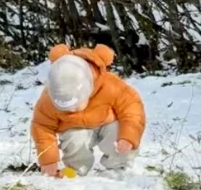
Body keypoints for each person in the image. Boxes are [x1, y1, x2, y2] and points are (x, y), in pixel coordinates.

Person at [30, 43, 146, 177]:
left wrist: (129, 137)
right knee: (74, 139)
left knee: (118, 131)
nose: (72, 110)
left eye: (75, 105)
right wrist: (48, 160)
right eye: (65, 107)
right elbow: (42, 127)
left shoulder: (110, 85)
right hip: (75, 128)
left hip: (106, 123)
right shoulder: (47, 99)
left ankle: (119, 166)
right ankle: (75, 170)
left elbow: (132, 108)